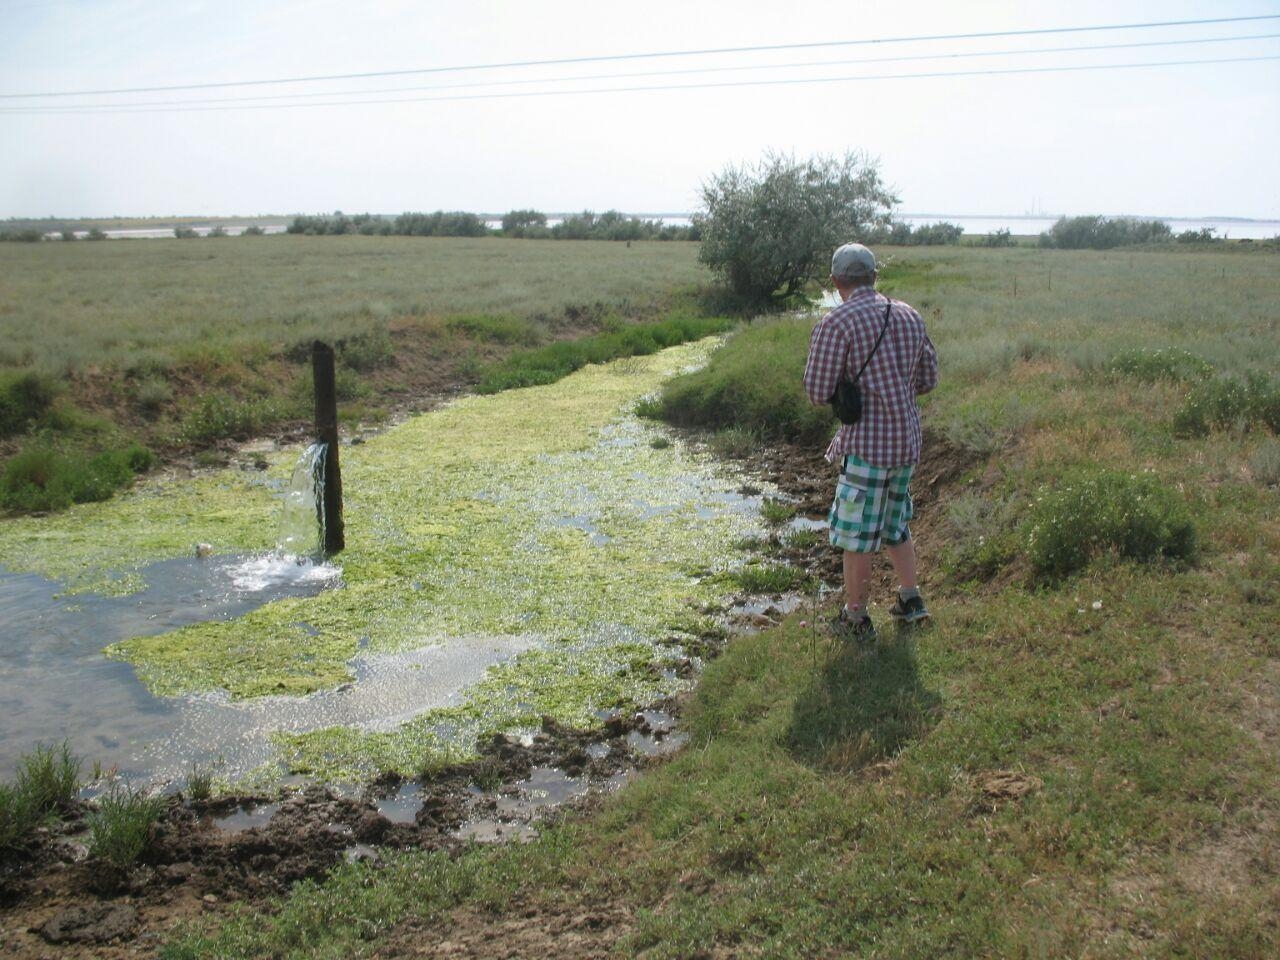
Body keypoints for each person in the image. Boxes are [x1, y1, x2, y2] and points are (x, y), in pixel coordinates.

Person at [803, 242, 938, 641]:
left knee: (856, 536)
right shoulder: (910, 315)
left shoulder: (837, 323)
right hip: (907, 441)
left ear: (836, 281)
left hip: (866, 446)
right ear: (874, 277)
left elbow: (815, 390)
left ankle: (856, 618)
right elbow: (929, 379)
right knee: (896, 523)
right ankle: (911, 600)